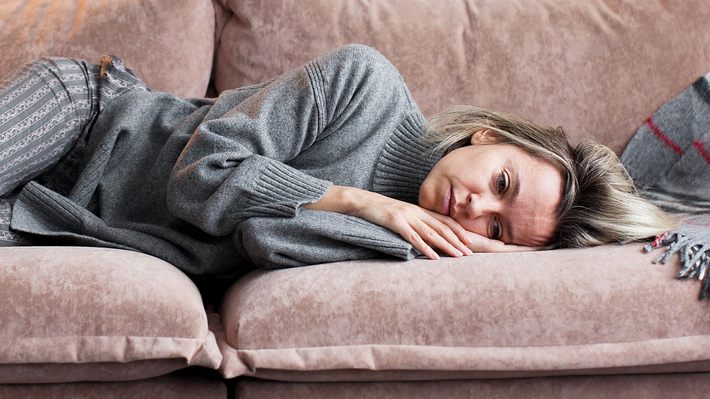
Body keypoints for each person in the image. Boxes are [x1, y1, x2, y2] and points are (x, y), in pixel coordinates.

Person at [0, 45, 675, 278]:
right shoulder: (365, 82)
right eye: (501, 183)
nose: (476, 208)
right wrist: (360, 199)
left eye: (497, 228)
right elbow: (200, 178)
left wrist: (493, 256)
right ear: (488, 136)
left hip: (73, 221)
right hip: (90, 121)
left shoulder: (410, 246)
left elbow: (264, 233)